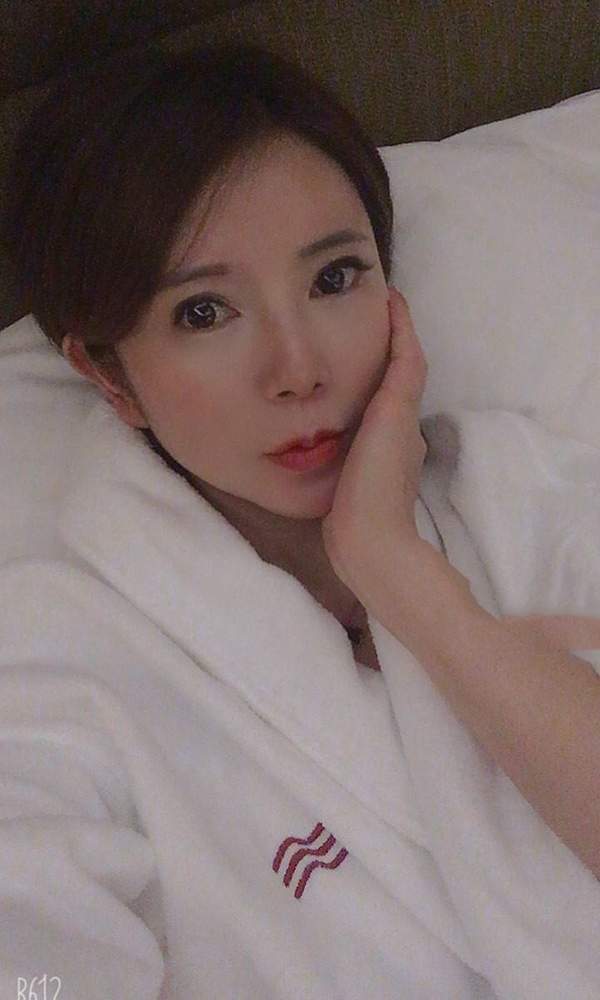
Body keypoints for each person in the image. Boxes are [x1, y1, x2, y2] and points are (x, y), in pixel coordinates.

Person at [1, 41, 600, 999]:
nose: (298, 370)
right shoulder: (50, 662)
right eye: (204, 313)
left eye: (333, 279)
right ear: (109, 375)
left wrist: (402, 575)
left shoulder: (521, 494)